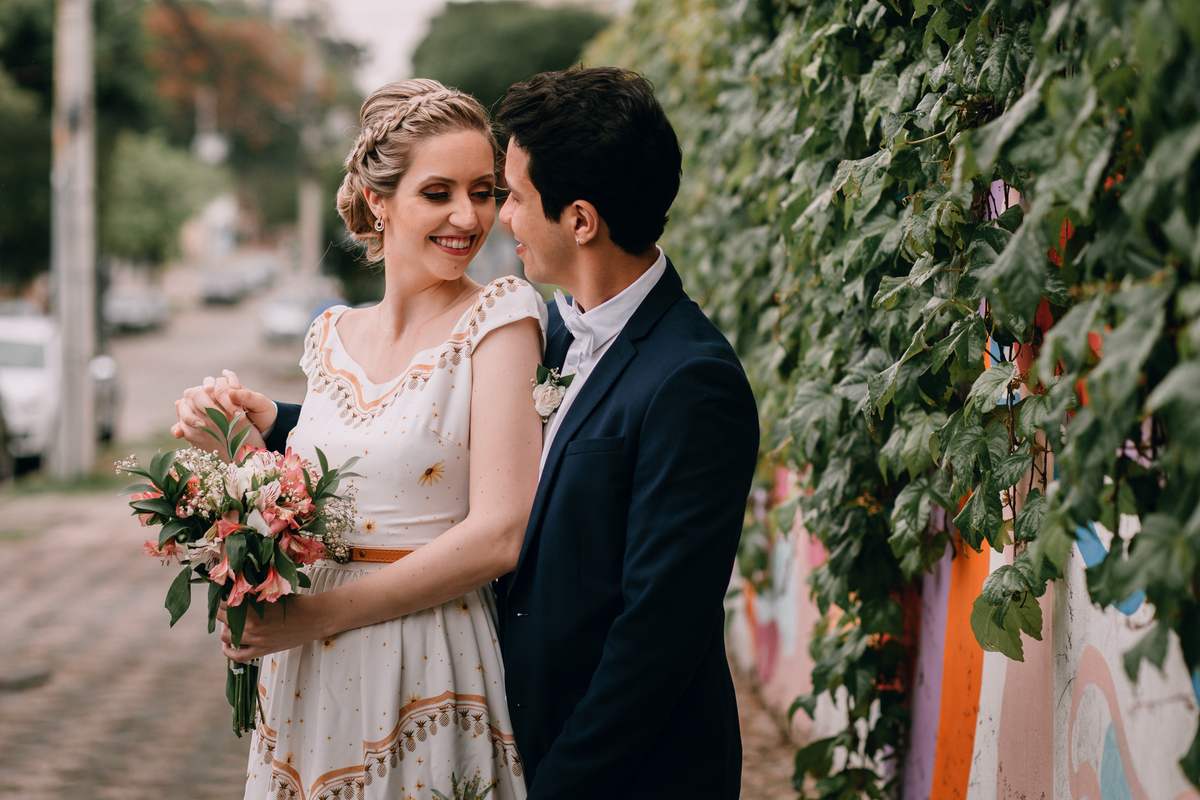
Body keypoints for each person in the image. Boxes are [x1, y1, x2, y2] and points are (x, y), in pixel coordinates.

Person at [184, 66, 759, 799]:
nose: (495, 219)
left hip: (612, 766)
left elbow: (658, 635)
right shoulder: (557, 329)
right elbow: (438, 438)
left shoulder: (688, 378)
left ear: (579, 220)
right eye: (468, 192)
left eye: (504, 194)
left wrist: (559, 785)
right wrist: (276, 427)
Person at [173, 79, 544, 800]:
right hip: (307, 673)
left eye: (484, 190)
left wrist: (308, 617)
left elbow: (502, 533)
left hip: (427, 653)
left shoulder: (503, 316)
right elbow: (324, 498)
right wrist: (231, 447)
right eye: (438, 193)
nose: (468, 216)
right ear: (380, 200)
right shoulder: (330, 336)